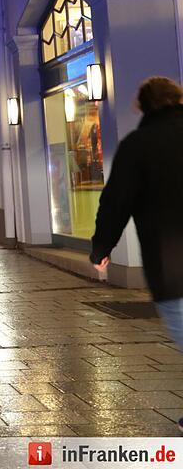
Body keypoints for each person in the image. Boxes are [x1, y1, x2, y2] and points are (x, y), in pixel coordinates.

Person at [89, 76, 183, 432]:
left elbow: (115, 203)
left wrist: (101, 248)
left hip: (170, 264)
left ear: (141, 106)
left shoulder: (137, 146)